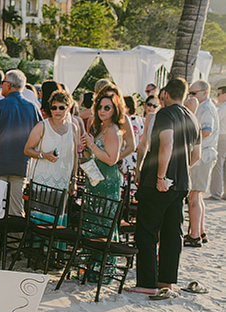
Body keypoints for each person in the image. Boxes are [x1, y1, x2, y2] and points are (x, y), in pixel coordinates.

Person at [130, 78, 201, 297]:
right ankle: (167, 281)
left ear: (166, 94)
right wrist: (180, 169)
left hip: (159, 182)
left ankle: (147, 283)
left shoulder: (165, 114)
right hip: (181, 184)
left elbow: (167, 143)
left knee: (147, 231)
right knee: (172, 233)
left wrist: (161, 175)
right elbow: (196, 156)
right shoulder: (192, 118)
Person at [0, 69, 41, 216]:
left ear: (8, 85)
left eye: (3, 83)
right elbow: (41, 135)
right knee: (16, 209)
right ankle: (14, 238)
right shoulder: (33, 108)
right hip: (21, 164)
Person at [80, 90, 124, 279]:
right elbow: (96, 158)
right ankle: (90, 266)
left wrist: (91, 145)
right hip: (96, 180)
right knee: (93, 221)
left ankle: (102, 270)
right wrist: (86, 149)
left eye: (107, 108)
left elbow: (111, 159)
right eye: (100, 107)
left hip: (107, 183)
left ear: (115, 109)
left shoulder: (113, 130)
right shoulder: (101, 128)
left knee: (104, 223)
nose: (102, 111)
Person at [24, 90, 79, 195]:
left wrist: (74, 179)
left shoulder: (73, 128)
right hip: (42, 180)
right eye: (54, 108)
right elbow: (27, 150)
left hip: (64, 181)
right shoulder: (42, 126)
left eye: (61, 107)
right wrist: (43, 155)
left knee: (60, 211)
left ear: (68, 109)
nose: (57, 111)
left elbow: (74, 155)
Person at [185, 80, 218, 247]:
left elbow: (206, 131)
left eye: (193, 93)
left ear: (204, 92)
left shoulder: (206, 108)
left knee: (194, 196)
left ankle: (194, 235)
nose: (191, 96)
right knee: (197, 195)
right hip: (205, 155)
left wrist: (190, 141)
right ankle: (201, 231)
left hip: (202, 155)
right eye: (189, 93)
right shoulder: (206, 106)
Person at [208, 84, 226, 201]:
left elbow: (216, 119)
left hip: (222, 137)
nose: (217, 96)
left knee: (218, 165)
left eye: (219, 94)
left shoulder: (224, 107)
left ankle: (216, 193)